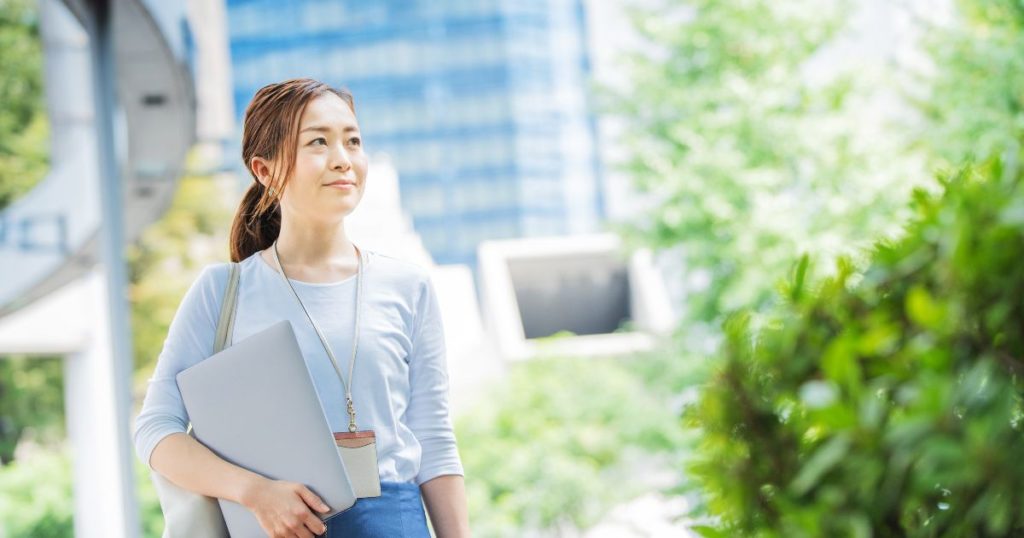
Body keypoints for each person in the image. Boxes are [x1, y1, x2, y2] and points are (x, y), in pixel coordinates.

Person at [132, 78, 470, 537]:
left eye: (353, 140)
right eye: (318, 142)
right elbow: (155, 430)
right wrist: (253, 491)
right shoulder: (221, 290)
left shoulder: (408, 286)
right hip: (278, 525)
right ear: (265, 171)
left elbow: (433, 439)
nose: (342, 159)